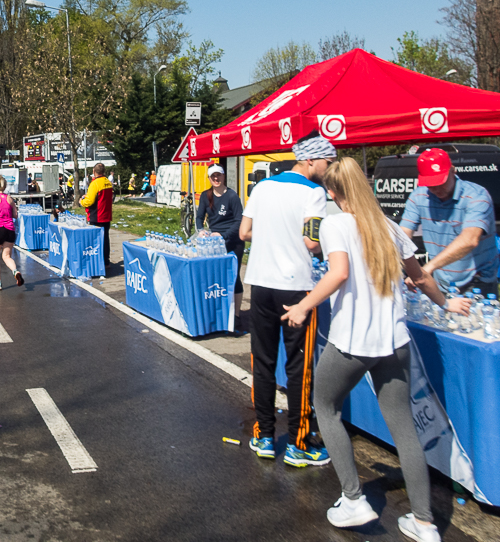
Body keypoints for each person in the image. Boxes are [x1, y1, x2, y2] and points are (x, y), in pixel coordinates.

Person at [282, 157, 469, 541]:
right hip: (395, 343)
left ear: (332, 192)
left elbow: (338, 273)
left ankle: (353, 500)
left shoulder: (335, 224)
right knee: (404, 431)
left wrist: (303, 305)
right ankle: (424, 523)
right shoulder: (390, 228)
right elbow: (420, 277)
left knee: (326, 407)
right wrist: (447, 303)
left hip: (353, 342)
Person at [239, 130, 335, 467]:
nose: (329, 166)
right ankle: (299, 442)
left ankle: (264, 435)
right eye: (327, 160)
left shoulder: (263, 186)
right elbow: (312, 244)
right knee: (299, 367)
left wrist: (273, 233)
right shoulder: (315, 193)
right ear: (310, 159)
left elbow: (244, 232)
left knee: (262, 362)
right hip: (296, 286)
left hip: (261, 283)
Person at [400, 148, 499, 295]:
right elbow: (402, 236)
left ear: (453, 170)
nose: (436, 188)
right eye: (430, 184)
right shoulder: (418, 197)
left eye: (441, 182)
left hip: (478, 282)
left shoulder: (477, 196)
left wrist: (427, 268)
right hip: (442, 283)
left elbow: (470, 239)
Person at [196, 164, 246, 330]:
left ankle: (236, 315)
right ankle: (219, 311)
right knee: (215, 277)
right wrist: (201, 231)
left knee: (234, 276)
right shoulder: (205, 195)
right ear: (209, 178)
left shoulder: (232, 196)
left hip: (233, 241)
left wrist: (223, 235)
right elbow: (199, 217)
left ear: (224, 176)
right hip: (214, 243)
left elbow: (239, 221)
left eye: (219, 175)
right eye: (213, 176)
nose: (216, 179)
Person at [80, 162, 115, 267]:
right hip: (106, 215)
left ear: (94, 172)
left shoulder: (95, 183)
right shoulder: (107, 182)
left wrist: (81, 201)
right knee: (105, 239)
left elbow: (89, 201)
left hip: (96, 215)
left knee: (96, 240)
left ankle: (97, 262)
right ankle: (106, 261)